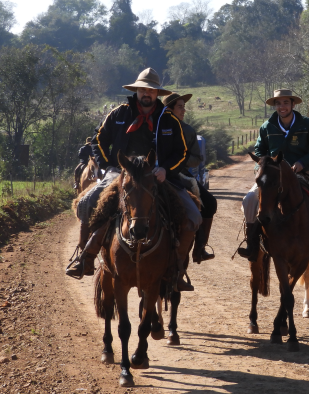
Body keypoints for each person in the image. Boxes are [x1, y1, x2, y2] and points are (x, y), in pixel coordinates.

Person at [65, 68, 202, 293]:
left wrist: (165, 169)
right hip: (120, 172)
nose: (145, 93)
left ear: (157, 93)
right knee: (87, 203)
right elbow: (99, 140)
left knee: (193, 215)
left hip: (157, 175)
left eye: (150, 90)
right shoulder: (119, 114)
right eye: (141, 89)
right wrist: (109, 165)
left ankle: (176, 268)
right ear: (136, 90)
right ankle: (85, 257)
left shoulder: (168, 120)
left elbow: (182, 152)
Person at [237, 89, 309, 262]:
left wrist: (302, 162)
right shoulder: (266, 127)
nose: (282, 107)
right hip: (272, 176)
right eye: (278, 103)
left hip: (300, 174)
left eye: (285, 103)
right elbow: (259, 151)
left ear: (293, 104)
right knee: (249, 199)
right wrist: (265, 167)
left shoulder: (307, 124)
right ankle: (251, 242)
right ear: (275, 106)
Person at [162, 92, 216, 264]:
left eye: (184, 107)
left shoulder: (188, 130)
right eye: (180, 107)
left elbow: (196, 159)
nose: (184, 110)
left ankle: (200, 248)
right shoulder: (156, 126)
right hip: (158, 173)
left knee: (210, 203)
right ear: (168, 109)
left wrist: (181, 158)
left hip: (181, 174)